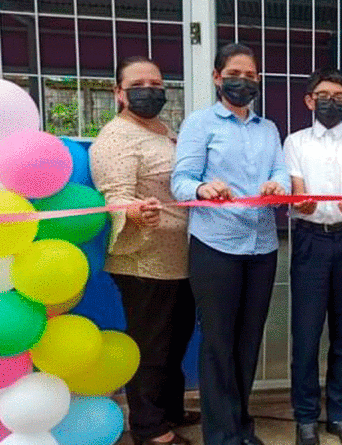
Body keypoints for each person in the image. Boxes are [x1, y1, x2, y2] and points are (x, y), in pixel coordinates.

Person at [170, 43, 290, 445]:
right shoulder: (200, 124)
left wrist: (279, 185)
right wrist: (203, 188)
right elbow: (181, 181)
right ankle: (220, 435)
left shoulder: (268, 129)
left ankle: (241, 426)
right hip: (216, 246)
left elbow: (281, 173)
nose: (244, 82)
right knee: (219, 343)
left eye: (251, 75)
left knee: (247, 341)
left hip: (262, 247)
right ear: (218, 78)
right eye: (235, 74)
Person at [90, 56, 198, 445]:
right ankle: (151, 430)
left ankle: (169, 410)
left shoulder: (164, 132)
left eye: (156, 83)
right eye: (138, 84)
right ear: (119, 93)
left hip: (179, 259)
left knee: (175, 342)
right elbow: (115, 198)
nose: (149, 91)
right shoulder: (115, 138)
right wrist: (135, 212)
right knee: (151, 347)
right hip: (144, 262)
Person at [285, 67, 342, 445]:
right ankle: (305, 417)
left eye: (338, 96)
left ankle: (340, 414)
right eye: (323, 95)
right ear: (309, 100)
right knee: (306, 333)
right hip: (310, 242)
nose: (330, 102)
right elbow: (300, 196)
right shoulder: (295, 143)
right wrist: (304, 203)